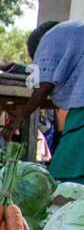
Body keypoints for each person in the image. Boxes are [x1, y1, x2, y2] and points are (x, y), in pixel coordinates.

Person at [7, 20, 84, 182]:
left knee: (66, 174)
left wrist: (22, 113)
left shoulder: (49, 39)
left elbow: (44, 84)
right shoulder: (73, 32)